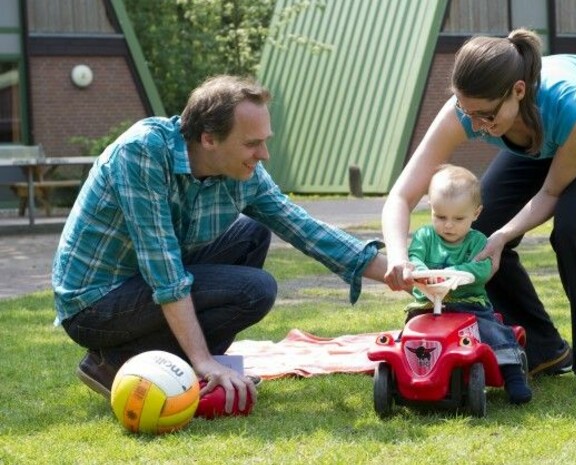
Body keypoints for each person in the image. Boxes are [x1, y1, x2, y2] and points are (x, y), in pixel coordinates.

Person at [53, 75, 387, 413]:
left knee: (252, 235)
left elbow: (302, 227)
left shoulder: (242, 173)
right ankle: (120, 363)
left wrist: (396, 273)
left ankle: (181, 366)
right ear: (209, 139)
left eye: (264, 141)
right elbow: (164, 270)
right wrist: (202, 360)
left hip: (142, 285)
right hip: (94, 305)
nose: (264, 154)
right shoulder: (141, 154)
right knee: (254, 289)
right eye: (252, 143)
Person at [381, 29, 576, 397]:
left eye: (486, 116)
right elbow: (401, 195)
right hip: (543, 136)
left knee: (573, 228)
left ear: (518, 91)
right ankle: (544, 350)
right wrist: (397, 255)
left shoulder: (572, 105)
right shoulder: (468, 109)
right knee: (479, 232)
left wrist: (504, 237)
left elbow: (552, 191)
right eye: (466, 112)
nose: (475, 126)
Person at [404, 164, 531, 404]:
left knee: (493, 332)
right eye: (440, 217)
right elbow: (415, 259)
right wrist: (419, 271)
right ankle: (406, 374)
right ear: (430, 208)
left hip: (468, 306)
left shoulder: (477, 241)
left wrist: (454, 272)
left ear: (476, 213)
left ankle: (513, 375)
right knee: (409, 336)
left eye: (458, 218)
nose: (448, 225)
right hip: (427, 305)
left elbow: (482, 268)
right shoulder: (424, 237)